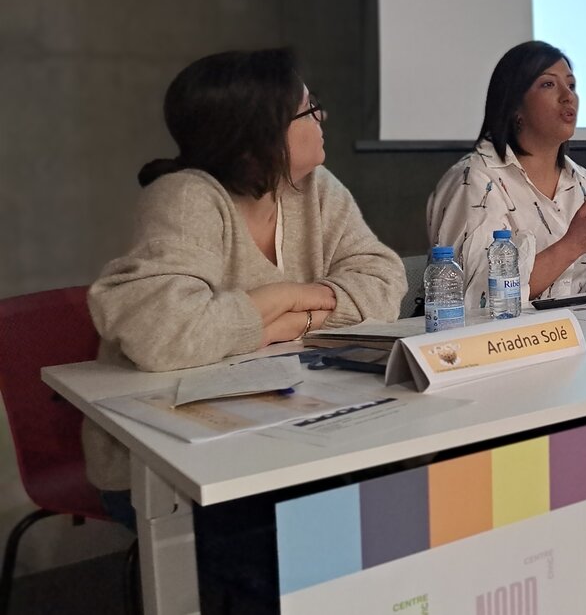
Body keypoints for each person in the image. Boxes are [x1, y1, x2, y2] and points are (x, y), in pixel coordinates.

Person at [85, 48, 407, 505]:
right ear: (260, 133)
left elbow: (383, 283)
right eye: (309, 108)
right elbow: (166, 335)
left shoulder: (315, 187)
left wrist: (290, 320)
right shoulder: (187, 197)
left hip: (287, 427)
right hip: (173, 459)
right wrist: (286, 297)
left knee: (389, 479)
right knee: (354, 506)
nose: (323, 116)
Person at [427, 41, 586, 305]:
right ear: (515, 105)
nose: (568, 96)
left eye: (571, 85)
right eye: (548, 84)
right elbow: (476, 301)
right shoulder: (474, 180)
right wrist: (573, 245)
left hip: (585, 328)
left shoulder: (585, 184)